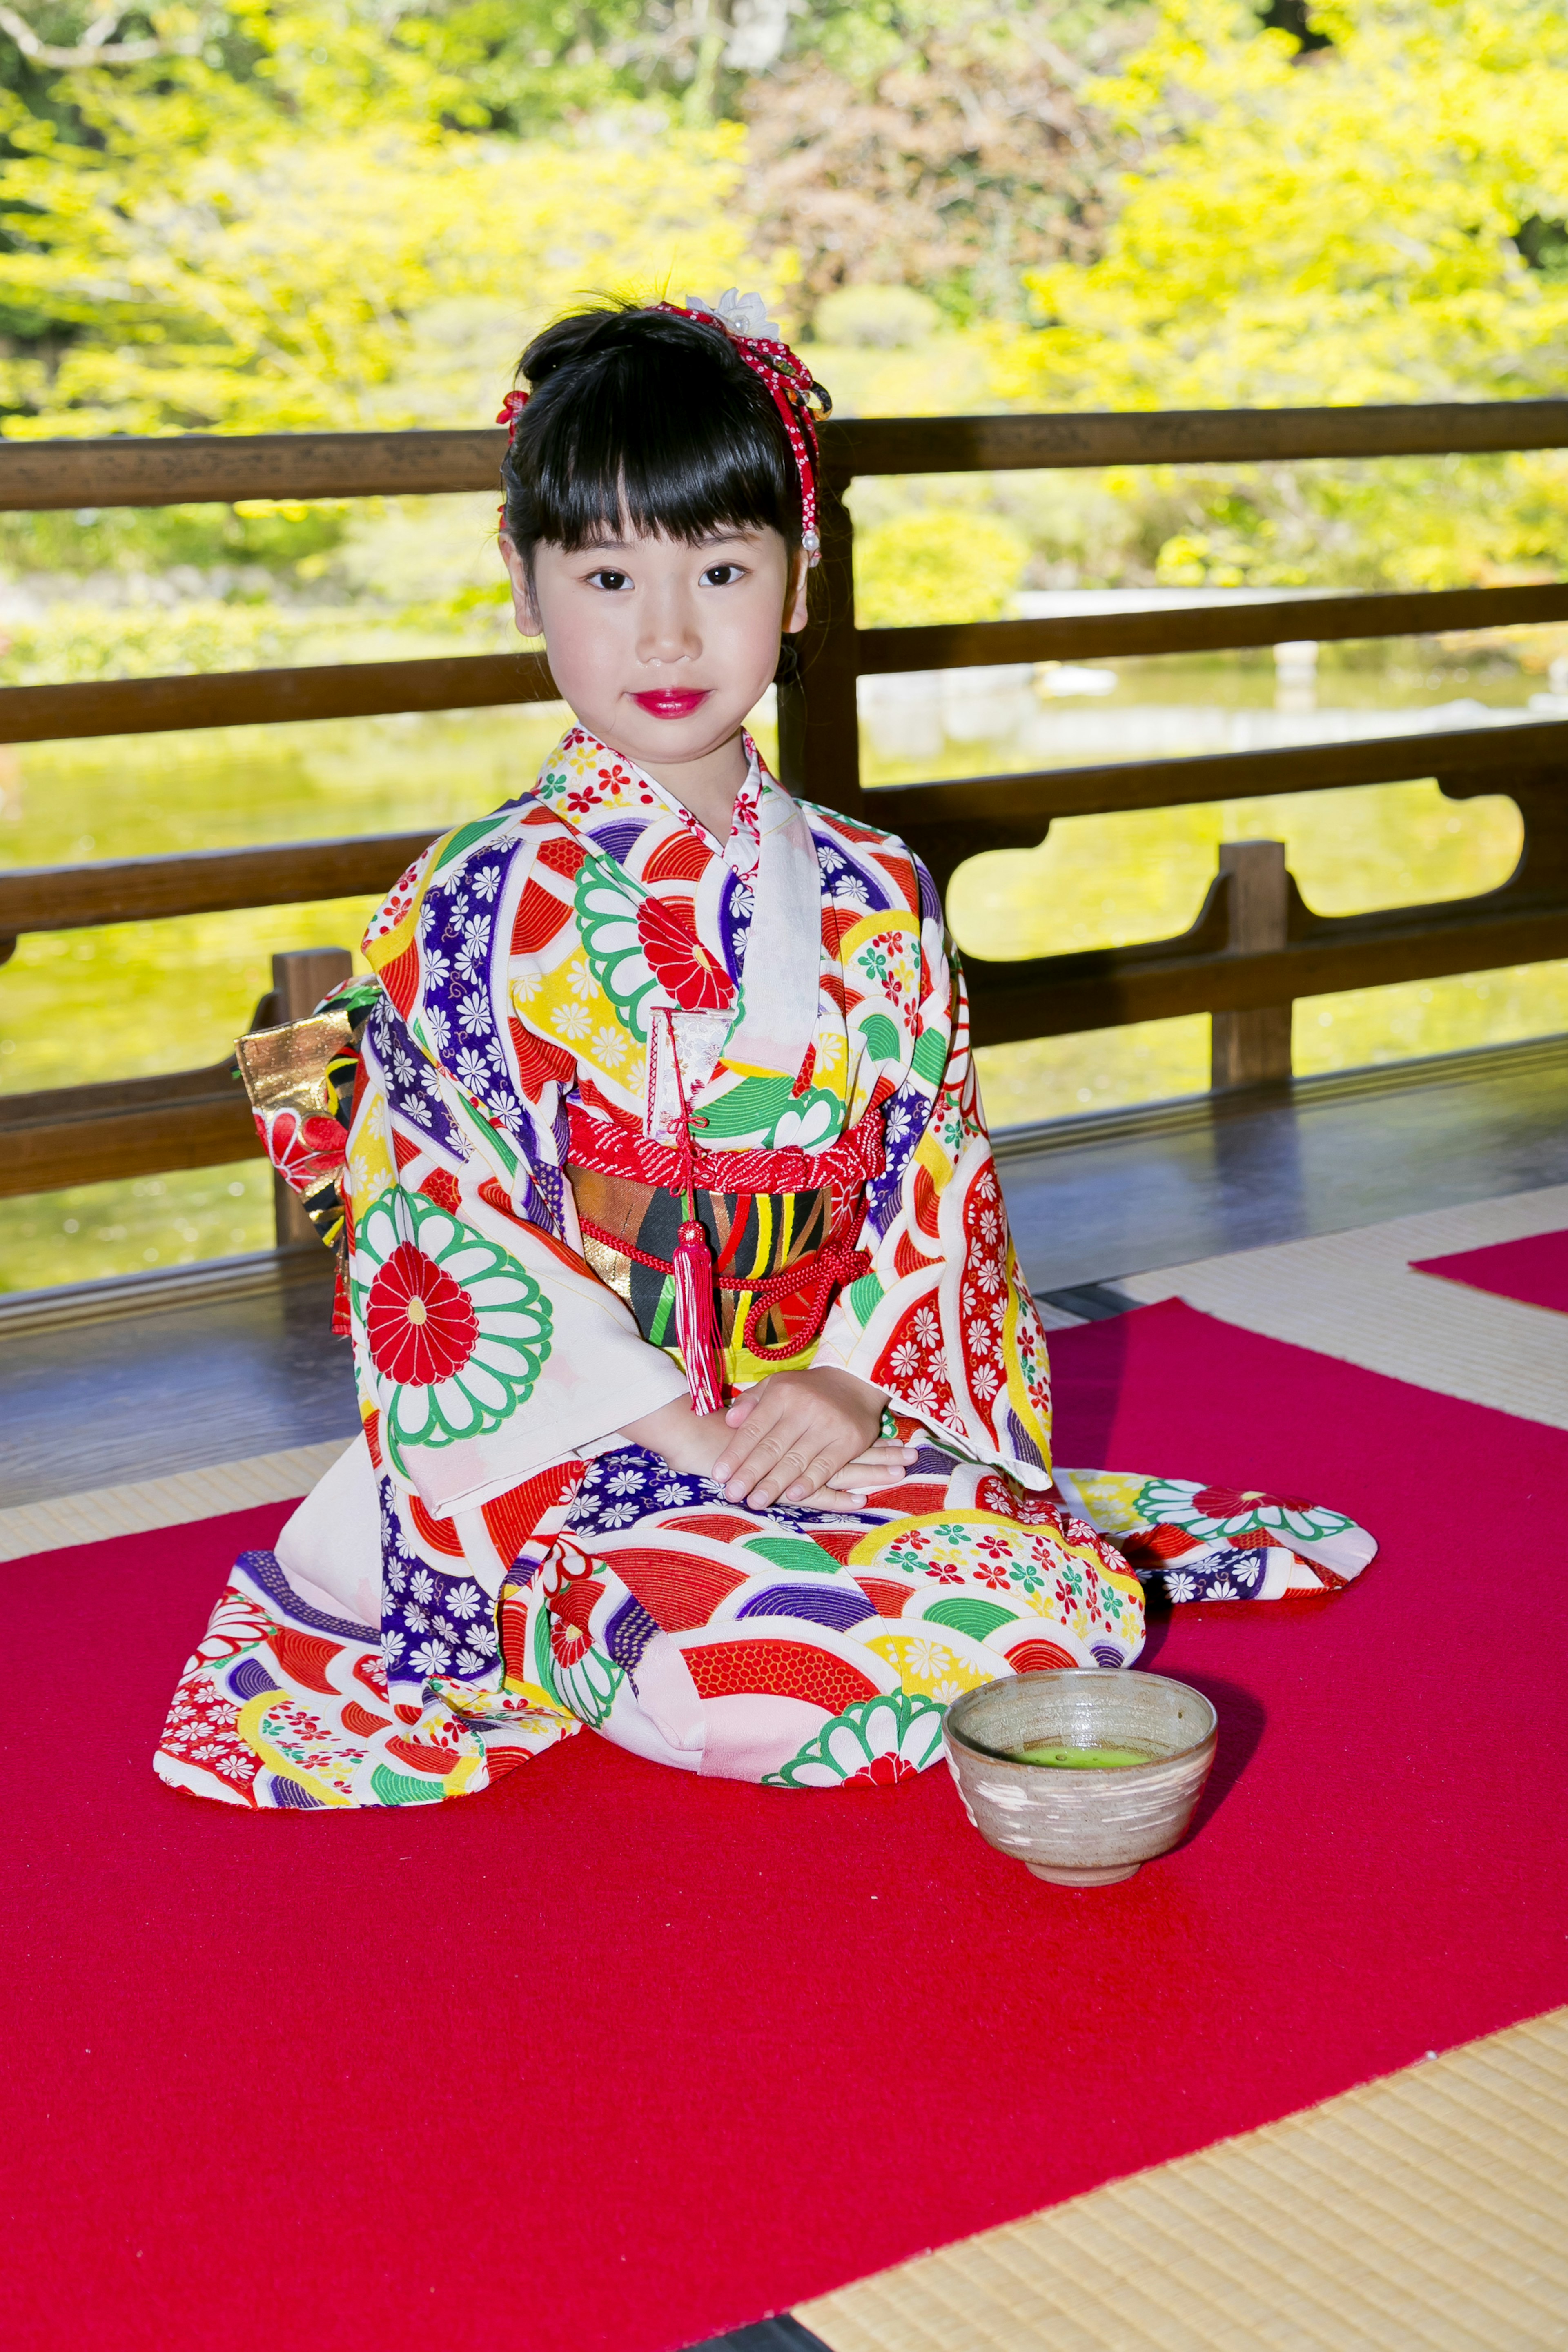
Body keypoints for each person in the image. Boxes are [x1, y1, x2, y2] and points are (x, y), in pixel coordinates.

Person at [156, 294, 1374, 1810]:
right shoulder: (467, 901)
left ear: (798, 584)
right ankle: (670, 1609)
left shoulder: (876, 886)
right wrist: (679, 1429)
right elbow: (438, 1224)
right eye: (606, 574)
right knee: (754, 1701)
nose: (668, 636)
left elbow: (938, 1190)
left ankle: (832, 1563)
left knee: (1084, 1613)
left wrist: (853, 1387)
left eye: (723, 570)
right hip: (575, 1438)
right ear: (524, 584)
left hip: (823, 1413)